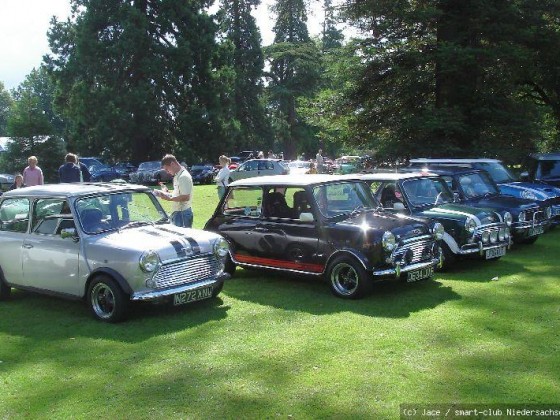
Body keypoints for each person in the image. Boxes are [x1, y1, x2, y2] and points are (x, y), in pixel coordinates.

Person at [156, 154, 194, 228]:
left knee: (182, 237)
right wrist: (167, 192)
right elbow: (179, 192)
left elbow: (186, 197)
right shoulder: (177, 176)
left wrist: (170, 199)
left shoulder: (183, 176)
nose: (167, 172)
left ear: (172, 164)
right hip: (178, 212)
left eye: (167, 169)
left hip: (182, 213)